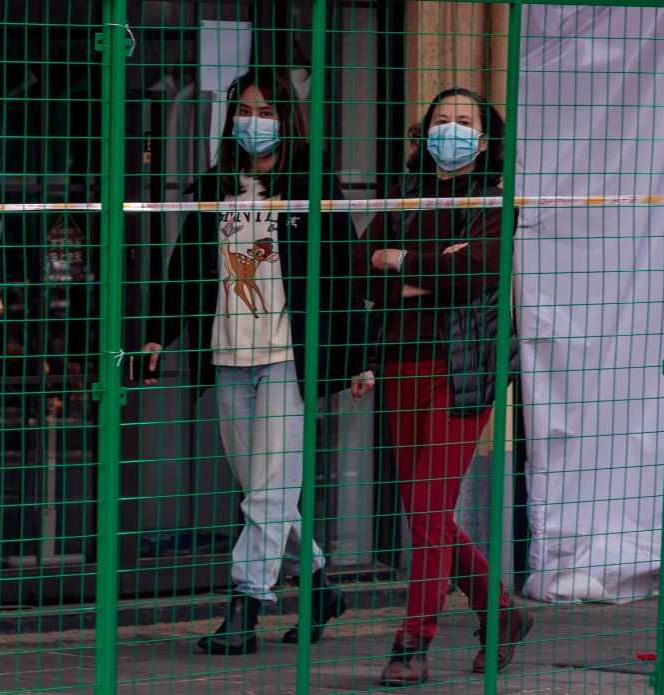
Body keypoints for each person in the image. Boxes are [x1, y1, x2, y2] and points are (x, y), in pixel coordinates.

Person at [143, 69, 366, 655]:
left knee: (265, 493)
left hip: (286, 360)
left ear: (286, 119)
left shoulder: (313, 182)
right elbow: (186, 269)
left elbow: (343, 274)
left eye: (267, 111)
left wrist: (358, 355)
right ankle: (320, 587)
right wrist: (157, 336)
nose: (255, 122)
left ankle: (246, 606)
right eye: (245, 110)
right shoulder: (217, 186)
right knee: (265, 488)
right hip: (228, 358)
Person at [350, 87, 532, 686]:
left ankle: (413, 642)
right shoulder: (403, 198)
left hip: (465, 370)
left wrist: (398, 262)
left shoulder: (494, 200)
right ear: (423, 133)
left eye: (464, 122)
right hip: (401, 366)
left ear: (485, 140)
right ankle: (501, 614)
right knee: (424, 512)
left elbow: (476, 269)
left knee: (428, 507)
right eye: (441, 121)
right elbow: (358, 268)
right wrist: (427, 267)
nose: (450, 131)